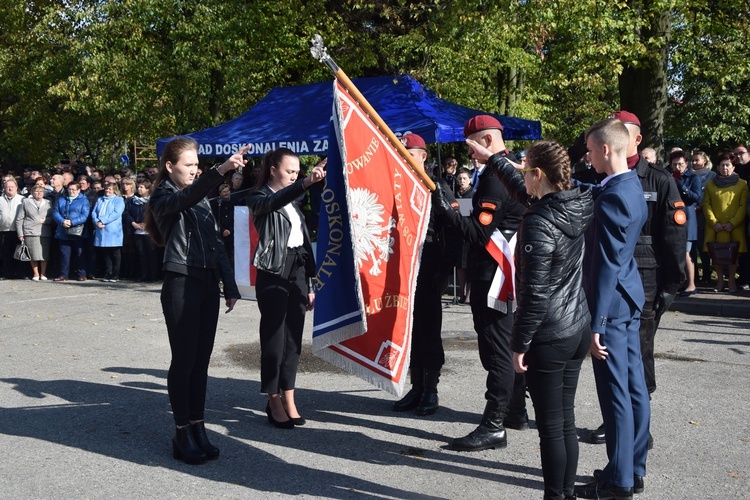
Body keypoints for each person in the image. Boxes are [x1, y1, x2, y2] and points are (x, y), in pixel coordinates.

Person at [469, 138, 592, 500]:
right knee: (564, 422)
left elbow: (535, 294)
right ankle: (565, 494)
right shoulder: (575, 202)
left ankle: (556, 495)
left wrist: (519, 344)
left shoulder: (539, 224)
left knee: (552, 428)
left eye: (526, 171)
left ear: (538, 175)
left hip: (551, 332)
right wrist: (494, 159)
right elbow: (525, 193)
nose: (522, 178)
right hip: (576, 324)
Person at [588, 111, 686, 447]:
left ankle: (628, 454)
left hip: (639, 281)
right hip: (628, 281)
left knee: (634, 372)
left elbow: (673, 235)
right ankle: (631, 445)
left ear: (636, 139)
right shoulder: (620, 180)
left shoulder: (656, 178)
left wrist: (672, 284)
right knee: (628, 377)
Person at [146, 136, 244, 464]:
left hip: (205, 284)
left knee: (201, 361)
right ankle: (181, 432)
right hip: (181, 281)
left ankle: (198, 425)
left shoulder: (200, 196)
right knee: (184, 359)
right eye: (187, 164)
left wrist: (229, 285)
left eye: (195, 164)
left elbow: (216, 244)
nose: (193, 169)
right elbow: (184, 198)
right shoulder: (163, 194)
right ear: (169, 166)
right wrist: (218, 172)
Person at [432, 115, 525, 451]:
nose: (468, 154)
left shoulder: (496, 179)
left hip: (494, 274)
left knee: (496, 350)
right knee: (506, 345)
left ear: (487, 141)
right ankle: (515, 410)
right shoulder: (505, 172)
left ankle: (494, 424)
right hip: (499, 272)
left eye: (471, 145)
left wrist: (447, 212)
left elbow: (478, 233)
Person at [575, 117, 650, 500]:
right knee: (634, 388)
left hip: (613, 306)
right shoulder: (628, 185)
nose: (587, 156)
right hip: (628, 300)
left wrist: (596, 322)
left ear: (605, 149)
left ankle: (619, 480)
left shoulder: (616, 194)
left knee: (616, 393)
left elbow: (605, 265)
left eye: (590, 149)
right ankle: (632, 469)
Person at [246, 148, 326, 429]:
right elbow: (273, 202)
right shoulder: (258, 197)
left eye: (297, 172)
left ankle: (290, 395)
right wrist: (304, 183)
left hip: (298, 269)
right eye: (289, 171)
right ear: (272, 170)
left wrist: (311, 282)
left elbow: (304, 242)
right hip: (273, 270)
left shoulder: (295, 199)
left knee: (294, 338)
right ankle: (273, 398)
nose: (294, 176)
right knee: (274, 339)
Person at [391, 134, 459, 416]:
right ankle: (416, 386)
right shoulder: (398, 185)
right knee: (410, 331)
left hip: (429, 265)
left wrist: (445, 271)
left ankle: (431, 389)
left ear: (423, 156)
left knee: (429, 330)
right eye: (402, 152)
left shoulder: (436, 187)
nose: (406, 157)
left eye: (411, 153)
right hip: (403, 268)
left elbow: (455, 232)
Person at [702, 153, 748, 293]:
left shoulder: (742, 184)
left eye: (728, 165)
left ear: (733, 167)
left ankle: (732, 281)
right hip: (715, 227)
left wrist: (732, 223)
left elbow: (743, 205)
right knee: (716, 254)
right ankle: (720, 282)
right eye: (722, 165)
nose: (725, 168)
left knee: (734, 255)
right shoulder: (710, 184)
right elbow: (706, 203)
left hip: (734, 226)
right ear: (717, 167)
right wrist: (714, 222)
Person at [667, 151, 702, 296]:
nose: (678, 167)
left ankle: (692, 285)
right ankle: (681, 282)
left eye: (680, 163)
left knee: (687, 252)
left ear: (686, 163)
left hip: (687, 217)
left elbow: (696, 198)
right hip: (671, 217)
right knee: (677, 252)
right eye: (674, 164)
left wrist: (682, 186)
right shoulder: (668, 177)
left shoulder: (693, 177)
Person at [15, 184, 54, 280]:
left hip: (44, 232)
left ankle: (43, 273)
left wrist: (45, 220)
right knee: (32, 254)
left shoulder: (48, 202)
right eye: (36, 191)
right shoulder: (26, 202)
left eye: (41, 191)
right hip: (30, 231)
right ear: (32, 192)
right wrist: (20, 233)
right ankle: (36, 273)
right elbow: (19, 219)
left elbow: (52, 218)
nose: (39, 193)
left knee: (44, 254)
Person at [52, 182, 90, 281]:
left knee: (79, 253)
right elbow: (55, 212)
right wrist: (62, 221)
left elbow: (84, 215)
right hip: (63, 230)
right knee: (64, 253)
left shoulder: (84, 201)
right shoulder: (61, 200)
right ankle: (63, 274)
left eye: (73, 189)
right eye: (69, 189)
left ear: (78, 190)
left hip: (77, 231)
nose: (71, 191)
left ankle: (82, 274)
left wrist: (72, 222)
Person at [124, 179, 159, 282]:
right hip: (137, 230)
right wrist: (133, 223)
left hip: (149, 231)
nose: (139, 189)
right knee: (141, 253)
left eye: (141, 187)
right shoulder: (132, 201)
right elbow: (126, 213)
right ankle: (144, 274)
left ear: (147, 189)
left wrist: (147, 223)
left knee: (152, 253)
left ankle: (153, 276)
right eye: (138, 187)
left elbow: (156, 214)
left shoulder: (152, 201)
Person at [91, 182, 125, 282]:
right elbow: (94, 212)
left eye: (110, 189)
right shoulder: (100, 200)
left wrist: (103, 220)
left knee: (115, 253)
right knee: (106, 252)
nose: (108, 191)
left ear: (114, 190)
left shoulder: (118, 200)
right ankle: (108, 272)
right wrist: (97, 221)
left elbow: (116, 213)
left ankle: (116, 273)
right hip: (101, 229)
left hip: (113, 230)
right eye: (106, 189)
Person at [691, 151, 716, 284]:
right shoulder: (688, 175)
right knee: (692, 247)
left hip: (705, 216)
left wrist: (701, 206)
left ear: (704, 161)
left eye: (697, 160)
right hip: (690, 215)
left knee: (704, 246)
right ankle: (693, 276)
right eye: (692, 160)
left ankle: (707, 274)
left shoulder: (712, 176)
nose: (694, 163)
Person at [0, 178, 23, 279]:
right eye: (7, 187)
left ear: (16, 188)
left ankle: (20, 273)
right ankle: (7, 274)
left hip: (18, 231)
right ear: (4, 188)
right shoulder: (0, 199)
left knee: (19, 253)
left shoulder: (22, 199)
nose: (9, 188)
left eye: (12, 187)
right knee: (6, 253)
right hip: (3, 230)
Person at [210, 183, 235, 267]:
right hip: (221, 234)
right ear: (220, 193)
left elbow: (237, 219)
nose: (227, 193)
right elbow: (214, 219)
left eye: (228, 191)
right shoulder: (216, 204)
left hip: (232, 234)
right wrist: (222, 230)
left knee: (231, 256)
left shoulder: (235, 202)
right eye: (224, 192)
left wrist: (230, 230)